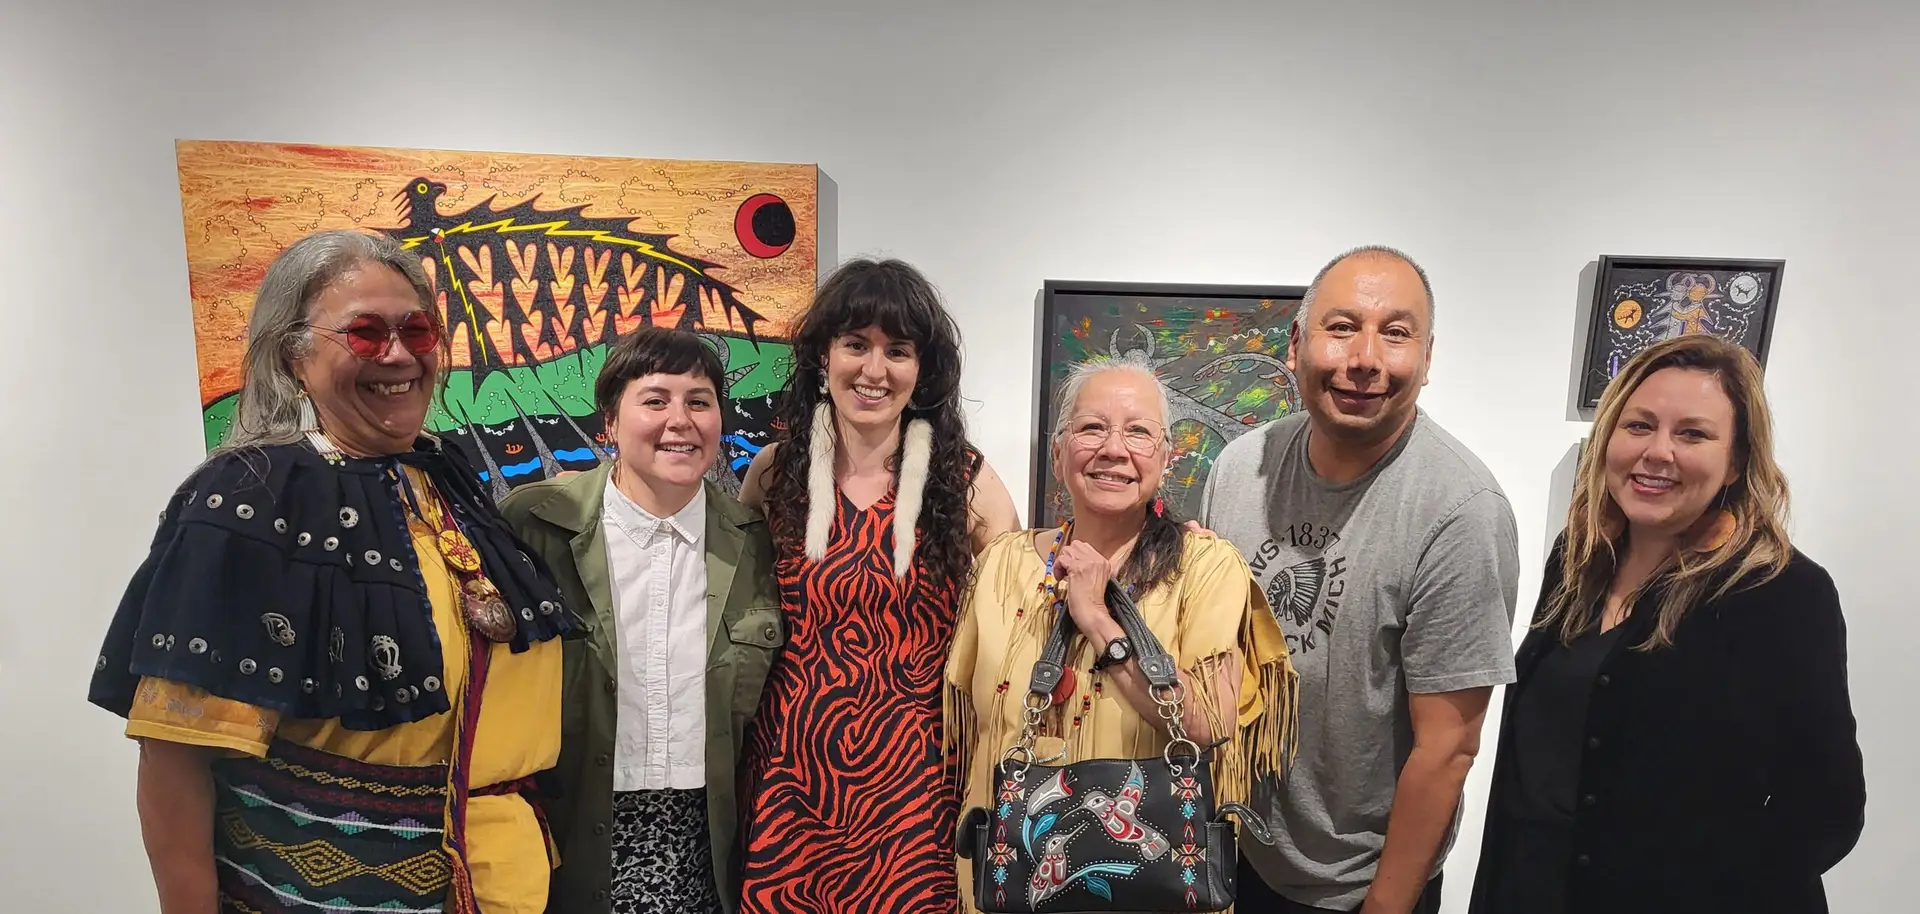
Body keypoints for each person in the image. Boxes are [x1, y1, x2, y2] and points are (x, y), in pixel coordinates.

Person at [86, 229, 575, 914]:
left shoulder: (441, 475)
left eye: (418, 330)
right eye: (367, 334)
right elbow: (175, 756)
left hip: (495, 879)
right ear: (294, 356)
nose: (400, 354)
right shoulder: (249, 497)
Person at [1467, 335, 1865, 914]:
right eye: (1639, 426)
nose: (1658, 452)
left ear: (1737, 460)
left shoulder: (1781, 592)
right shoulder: (1576, 559)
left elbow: (1828, 810)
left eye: (1692, 434)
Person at [1197, 245, 1520, 914]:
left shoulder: (1459, 511)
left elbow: (1449, 748)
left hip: (1360, 886)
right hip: (1236, 854)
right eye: (1341, 326)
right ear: (1297, 345)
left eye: (1396, 333)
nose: (1365, 358)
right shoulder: (1239, 469)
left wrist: (1387, 904)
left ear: (1427, 359)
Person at [947, 357, 1298, 913]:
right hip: (1011, 885)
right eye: (1091, 428)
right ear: (1059, 450)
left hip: (1155, 891)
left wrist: (1098, 620)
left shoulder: (1204, 567)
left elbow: (1207, 723)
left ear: (1166, 458)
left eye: (1138, 431)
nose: (1113, 449)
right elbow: (972, 738)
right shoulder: (1000, 566)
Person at [734, 257, 1020, 914]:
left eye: (897, 350)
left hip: (917, 790)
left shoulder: (965, 481)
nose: (874, 369)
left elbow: (1022, 608)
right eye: (855, 344)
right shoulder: (773, 474)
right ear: (823, 357)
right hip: (788, 779)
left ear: (922, 370)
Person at [499, 327, 783, 914]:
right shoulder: (533, 527)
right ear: (609, 421)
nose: (680, 420)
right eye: (655, 400)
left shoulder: (755, 545)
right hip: (567, 834)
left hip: (708, 848)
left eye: (699, 401)